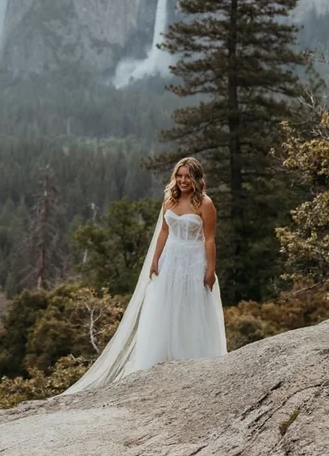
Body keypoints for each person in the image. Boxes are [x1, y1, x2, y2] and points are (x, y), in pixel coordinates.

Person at [64, 157, 227, 394]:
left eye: (187, 176)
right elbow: (163, 232)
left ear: (196, 179)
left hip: (194, 260)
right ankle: (162, 357)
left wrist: (210, 269)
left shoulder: (205, 204)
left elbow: (210, 239)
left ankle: (193, 358)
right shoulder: (169, 200)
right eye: (179, 176)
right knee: (166, 305)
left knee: (192, 306)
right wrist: (154, 260)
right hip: (170, 258)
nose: (182, 180)